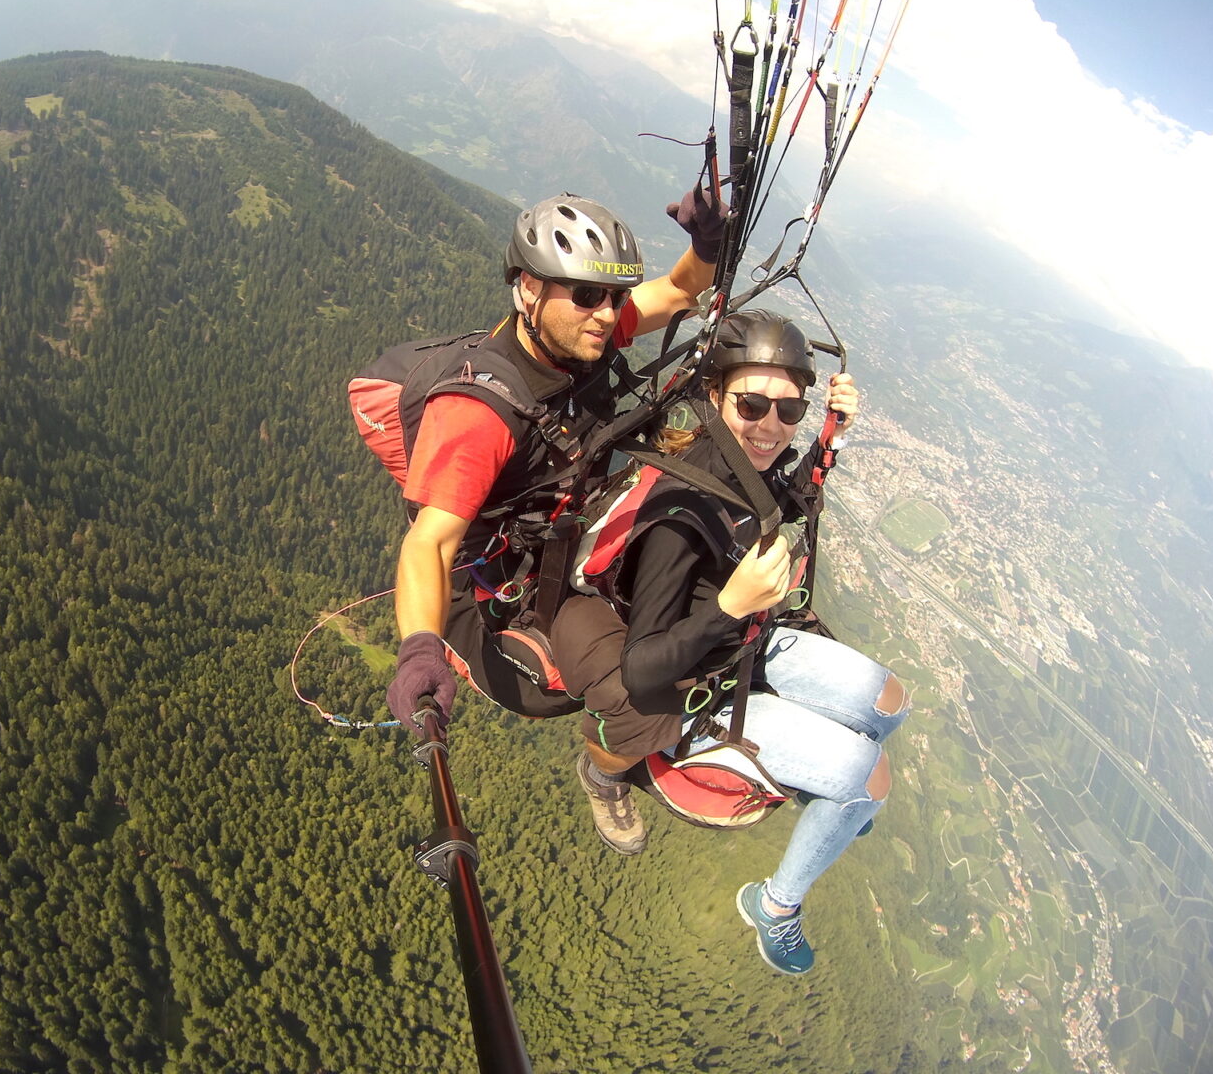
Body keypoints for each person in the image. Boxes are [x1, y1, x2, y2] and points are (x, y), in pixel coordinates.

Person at [549, 308, 910, 975]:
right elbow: (645, 674)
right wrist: (728, 607)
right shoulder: (679, 516)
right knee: (870, 780)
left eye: (790, 409)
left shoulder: (741, 466)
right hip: (701, 689)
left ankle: (828, 789)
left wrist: (832, 431)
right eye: (752, 404)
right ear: (715, 396)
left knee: (890, 704)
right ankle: (776, 906)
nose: (773, 426)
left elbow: (787, 503)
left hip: (749, 640)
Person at [384, 188, 727, 735]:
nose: (607, 313)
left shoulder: (578, 334)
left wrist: (707, 245)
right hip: (502, 581)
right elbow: (430, 541)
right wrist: (420, 652)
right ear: (528, 288)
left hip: (563, 530)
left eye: (616, 296)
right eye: (589, 294)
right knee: (639, 699)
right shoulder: (480, 411)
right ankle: (610, 773)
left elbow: (683, 289)